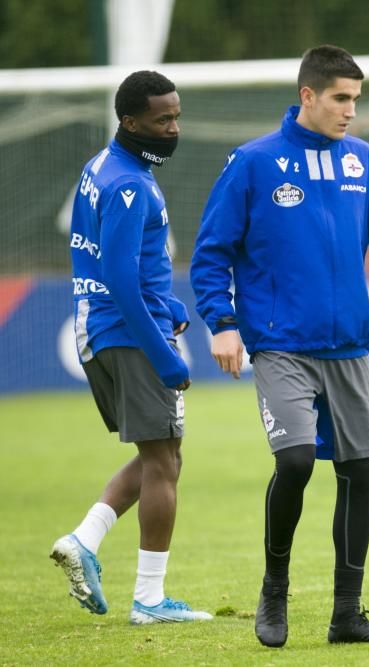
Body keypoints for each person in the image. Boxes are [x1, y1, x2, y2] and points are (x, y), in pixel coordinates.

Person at [190, 45, 369, 649]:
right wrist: (222, 321)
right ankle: (274, 590)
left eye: (356, 101)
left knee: (357, 471)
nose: (350, 111)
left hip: (347, 347)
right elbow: (211, 251)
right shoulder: (253, 163)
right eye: (341, 98)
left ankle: (347, 613)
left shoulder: (364, 162)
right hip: (281, 345)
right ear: (308, 96)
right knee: (293, 462)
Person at [50, 70, 212, 625]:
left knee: (157, 455)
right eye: (162, 119)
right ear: (130, 121)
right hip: (127, 334)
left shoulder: (103, 166)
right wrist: (164, 352)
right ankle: (148, 600)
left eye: (176, 116)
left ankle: (84, 540)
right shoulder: (130, 185)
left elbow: (115, 265)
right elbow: (120, 276)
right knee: (166, 461)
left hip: (102, 328)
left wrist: (168, 306)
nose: (173, 127)